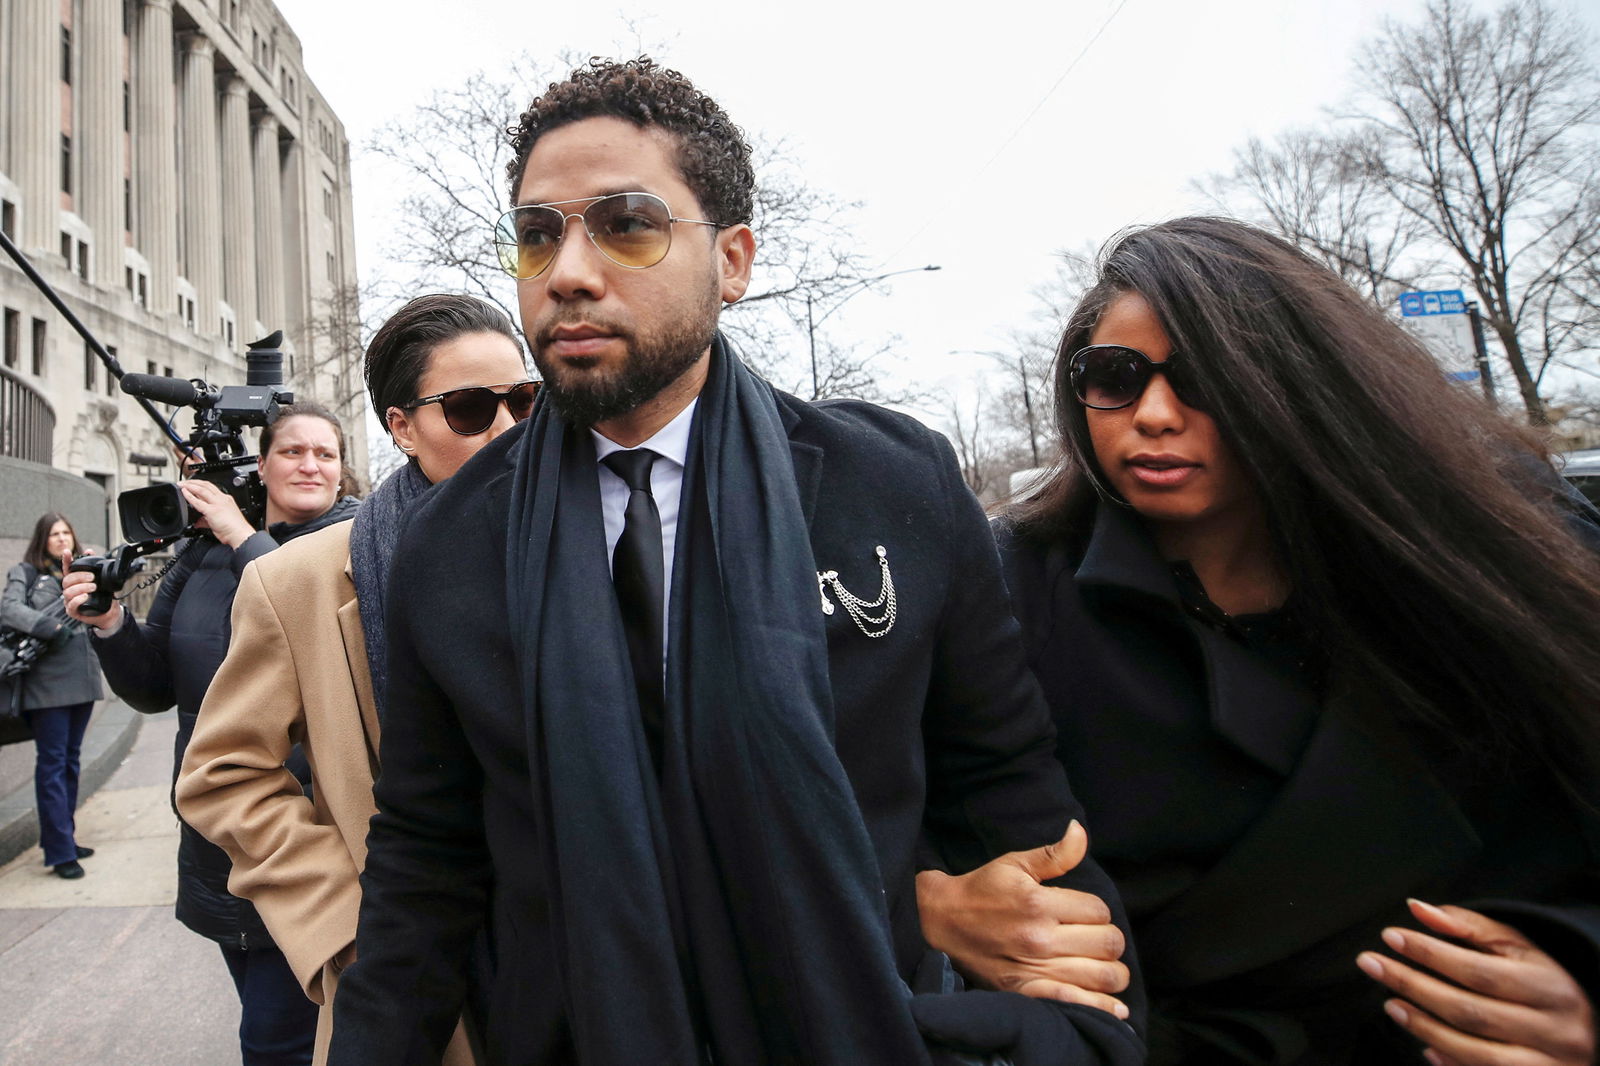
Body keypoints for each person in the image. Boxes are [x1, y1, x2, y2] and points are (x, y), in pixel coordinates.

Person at [328, 58, 1143, 1066]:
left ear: (733, 261)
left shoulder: (894, 484)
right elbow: (426, 859)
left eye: (626, 224)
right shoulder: (451, 543)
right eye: (537, 235)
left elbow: (1007, 791)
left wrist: (1081, 1030)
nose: (568, 271)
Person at [929, 216, 1600, 1064]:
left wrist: (1584, 985)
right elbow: (880, 820)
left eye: (1204, 377)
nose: (1154, 415)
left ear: (1297, 379)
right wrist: (930, 914)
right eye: (1115, 377)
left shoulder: (1487, 551)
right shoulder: (1001, 592)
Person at [176, 294, 533, 1066]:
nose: (508, 429)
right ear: (401, 427)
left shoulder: (593, 540)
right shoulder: (298, 580)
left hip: (591, 957)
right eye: (471, 408)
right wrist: (345, 924)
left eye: (525, 401)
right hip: (424, 981)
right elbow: (223, 775)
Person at [63, 401, 361, 1066]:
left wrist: (241, 535)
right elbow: (153, 687)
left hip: (310, 841)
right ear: (263, 466)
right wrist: (109, 623)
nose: (309, 465)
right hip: (218, 846)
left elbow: (317, 638)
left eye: (325, 454)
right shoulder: (201, 557)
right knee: (269, 1027)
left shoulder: (354, 543)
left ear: (342, 472)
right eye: (292, 451)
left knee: (275, 1042)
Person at [2, 513, 104, 879]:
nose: (61, 538)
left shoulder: (83, 571)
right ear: (42, 540)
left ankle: (65, 838)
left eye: (66, 532)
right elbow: (9, 608)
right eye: (53, 534)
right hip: (47, 685)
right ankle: (60, 852)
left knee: (70, 762)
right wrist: (51, 627)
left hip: (83, 679)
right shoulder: (26, 572)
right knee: (53, 765)